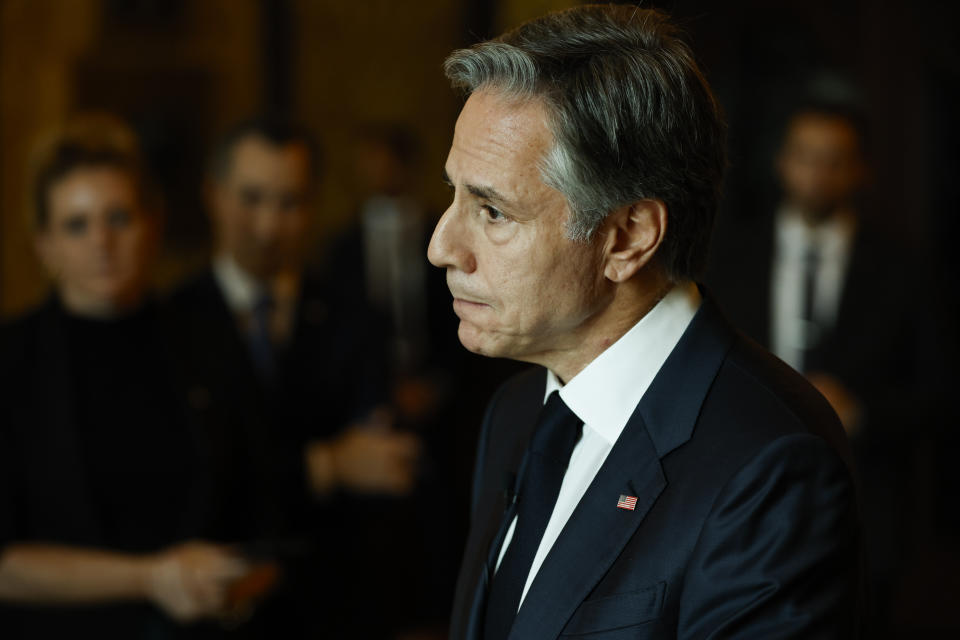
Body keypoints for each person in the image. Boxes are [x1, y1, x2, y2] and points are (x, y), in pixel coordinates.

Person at [428, 6, 862, 640]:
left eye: (492, 211)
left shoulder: (772, 466)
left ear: (627, 237)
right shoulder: (517, 413)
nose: (443, 246)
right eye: (454, 194)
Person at [165, 117, 421, 636]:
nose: (268, 225)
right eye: (251, 199)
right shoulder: (167, 324)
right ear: (213, 196)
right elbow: (185, 484)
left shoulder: (355, 318)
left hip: (332, 606)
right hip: (209, 609)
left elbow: (381, 474)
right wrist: (326, 464)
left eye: (290, 203)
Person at [0, 114, 251, 637]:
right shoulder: (11, 360)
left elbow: (261, 509)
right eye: (76, 224)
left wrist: (235, 585)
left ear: (153, 223)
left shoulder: (208, 341)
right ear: (44, 244)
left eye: (119, 217)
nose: (102, 242)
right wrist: (150, 579)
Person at [706, 100, 925, 632]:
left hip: (863, 499)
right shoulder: (726, 254)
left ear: (860, 170)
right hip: (740, 493)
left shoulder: (903, 268)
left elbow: (938, 389)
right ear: (782, 162)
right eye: (806, 156)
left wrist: (864, 411)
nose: (818, 173)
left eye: (834, 159)